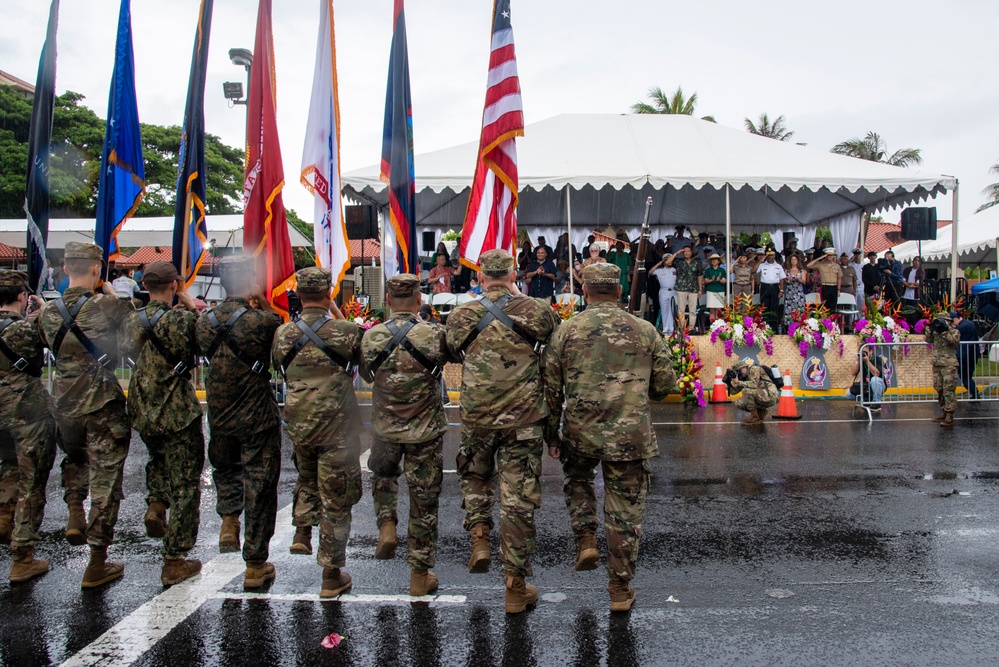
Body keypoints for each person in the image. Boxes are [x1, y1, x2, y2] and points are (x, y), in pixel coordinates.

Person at [544, 262, 675, 612]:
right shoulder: (645, 330)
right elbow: (665, 387)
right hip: (629, 436)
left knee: (579, 480)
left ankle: (586, 536)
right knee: (624, 515)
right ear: (617, 292)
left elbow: (550, 390)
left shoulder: (566, 330)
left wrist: (551, 435)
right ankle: (619, 587)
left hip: (579, 432)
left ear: (584, 292)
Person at [445, 248, 560, 614]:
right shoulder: (537, 311)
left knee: (476, 476)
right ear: (514, 275)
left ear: (480, 276)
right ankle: (515, 587)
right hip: (523, 418)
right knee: (517, 500)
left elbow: (450, 351)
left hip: (478, 413)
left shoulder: (462, 314)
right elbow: (554, 354)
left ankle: (479, 537)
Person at [36, 242, 135, 588]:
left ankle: (75, 511)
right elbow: (133, 333)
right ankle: (96, 562)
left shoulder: (48, 312)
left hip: (63, 403)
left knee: (75, 459)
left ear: (65, 269)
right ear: (96, 270)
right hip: (102, 404)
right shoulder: (107, 304)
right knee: (106, 481)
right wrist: (113, 294)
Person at [272, 267, 361, 598]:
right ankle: (331, 574)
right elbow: (362, 360)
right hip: (336, 427)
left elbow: (279, 364)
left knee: (307, 480)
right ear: (328, 294)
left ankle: (301, 531)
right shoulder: (346, 331)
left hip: (299, 423)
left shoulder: (283, 334)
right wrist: (335, 311)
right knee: (336, 499)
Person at [196, 255, 283, 589]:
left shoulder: (203, 322)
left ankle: (229, 520)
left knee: (226, 469)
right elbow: (279, 336)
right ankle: (255, 563)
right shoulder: (261, 322)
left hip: (219, 413)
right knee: (260, 485)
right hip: (256, 415)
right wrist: (261, 300)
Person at [361, 274, 449, 596]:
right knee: (424, 501)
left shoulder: (372, 337)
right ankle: (419, 577)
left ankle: (386, 524)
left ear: (387, 297)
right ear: (419, 299)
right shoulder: (434, 335)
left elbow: (366, 374)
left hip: (385, 428)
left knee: (383, 477)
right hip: (424, 431)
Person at [121, 261, 204, 586]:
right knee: (185, 481)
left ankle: (156, 503)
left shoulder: (132, 320)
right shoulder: (182, 320)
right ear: (173, 285)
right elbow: (203, 337)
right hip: (175, 408)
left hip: (142, 403)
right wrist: (186, 301)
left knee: (157, 459)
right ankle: (174, 559)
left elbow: (126, 350)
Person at [0, 271, 55, 583]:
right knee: (31, 480)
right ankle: (22, 556)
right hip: (26, 414)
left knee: (8, 468)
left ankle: (3, 518)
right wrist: (43, 306)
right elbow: (56, 333)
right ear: (22, 296)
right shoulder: (26, 328)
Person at [924, 314, 961, 427]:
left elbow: (954, 343)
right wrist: (930, 329)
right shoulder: (936, 332)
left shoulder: (954, 332)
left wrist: (945, 331)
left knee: (948, 390)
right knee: (939, 388)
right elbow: (928, 340)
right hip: (937, 364)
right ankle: (944, 411)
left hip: (949, 365)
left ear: (948, 321)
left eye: (942, 321)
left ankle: (950, 414)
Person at [726, 358, 779, 426]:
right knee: (739, 403)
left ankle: (755, 417)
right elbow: (733, 392)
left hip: (770, 395)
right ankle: (761, 412)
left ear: (744, 367)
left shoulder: (754, 369)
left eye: (739, 370)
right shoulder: (745, 377)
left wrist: (739, 382)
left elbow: (754, 384)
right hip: (762, 395)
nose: (739, 373)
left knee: (746, 391)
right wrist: (729, 383)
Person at [665, 246, 703, 329]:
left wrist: (700, 289)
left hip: (693, 288)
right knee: (681, 309)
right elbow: (667, 262)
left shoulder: (697, 262)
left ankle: (691, 328)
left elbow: (699, 276)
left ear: (691, 252)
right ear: (682, 253)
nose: (686, 253)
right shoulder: (678, 261)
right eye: (684, 251)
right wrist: (676, 253)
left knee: (692, 310)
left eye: (688, 251)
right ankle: (682, 327)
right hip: (681, 288)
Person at [952, 311, 980, 399]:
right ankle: (974, 393)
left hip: (965, 355)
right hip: (971, 354)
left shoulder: (962, 327)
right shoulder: (968, 324)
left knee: (965, 376)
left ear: (955, 319)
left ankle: (974, 393)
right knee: (967, 375)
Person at [755, 250, 785, 331]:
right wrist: (760, 261)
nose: (770, 257)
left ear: (774, 256)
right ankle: (765, 327)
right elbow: (753, 271)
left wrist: (781, 290)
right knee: (764, 307)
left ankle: (773, 328)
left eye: (772, 255)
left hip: (775, 287)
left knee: (774, 308)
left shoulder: (778, 266)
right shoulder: (762, 265)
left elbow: (782, 278)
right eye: (768, 255)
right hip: (764, 286)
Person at [850, 346, 886, 411]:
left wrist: (867, 361)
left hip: (879, 385)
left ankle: (876, 403)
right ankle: (867, 400)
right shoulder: (861, 361)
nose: (864, 354)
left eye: (865, 352)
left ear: (871, 352)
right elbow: (853, 373)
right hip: (866, 386)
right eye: (862, 352)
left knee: (874, 379)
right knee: (849, 395)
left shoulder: (877, 359)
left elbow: (877, 374)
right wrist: (858, 361)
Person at [648, 255, 677, 334]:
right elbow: (650, 272)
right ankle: (665, 328)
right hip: (663, 291)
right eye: (667, 260)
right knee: (664, 310)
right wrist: (659, 263)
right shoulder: (659, 270)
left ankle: (671, 328)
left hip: (673, 291)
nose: (669, 262)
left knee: (672, 310)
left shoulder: (674, 270)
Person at [782, 254, 809, 328]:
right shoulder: (787, 270)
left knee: (799, 308)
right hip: (789, 291)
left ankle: (800, 326)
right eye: (792, 260)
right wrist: (788, 281)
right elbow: (783, 280)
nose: (793, 261)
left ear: (797, 261)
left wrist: (798, 279)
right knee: (789, 309)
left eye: (795, 259)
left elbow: (804, 281)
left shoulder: (801, 270)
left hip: (798, 292)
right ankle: (789, 327)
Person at [703, 254, 726, 319]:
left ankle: (719, 326)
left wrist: (719, 280)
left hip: (720, 290)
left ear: (718, 261)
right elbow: (706, 281)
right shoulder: (708, 270)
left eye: (715, 259)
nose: (714, 261)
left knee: (719, 310)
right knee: (712, 310)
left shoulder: (722, 270)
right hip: (710, 290)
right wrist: (711, 280)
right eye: (712, 259)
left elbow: (724, 281)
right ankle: (712, 326)